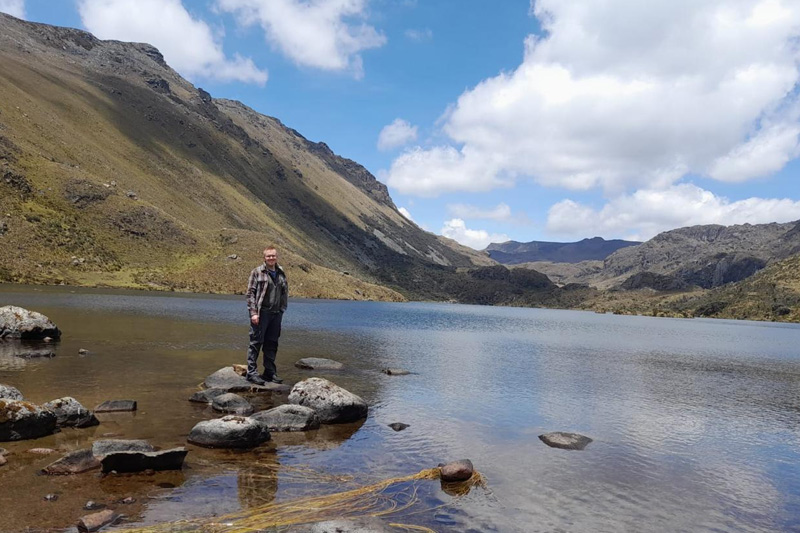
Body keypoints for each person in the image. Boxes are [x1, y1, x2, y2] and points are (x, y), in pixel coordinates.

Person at [245, 246, 288, 385]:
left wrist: (282, 309)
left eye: (273, 256)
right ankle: (251, 373)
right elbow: (250, 293)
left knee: (272, 343)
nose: (271, 258)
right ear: (264, 257)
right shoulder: (257, 272)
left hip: (276, 314)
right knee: (256, 342)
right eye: (268, 256)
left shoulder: (281, 272)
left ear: (276, 257)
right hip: (261, 313)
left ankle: (269, 372)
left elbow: (284, 292)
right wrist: (253, 313)